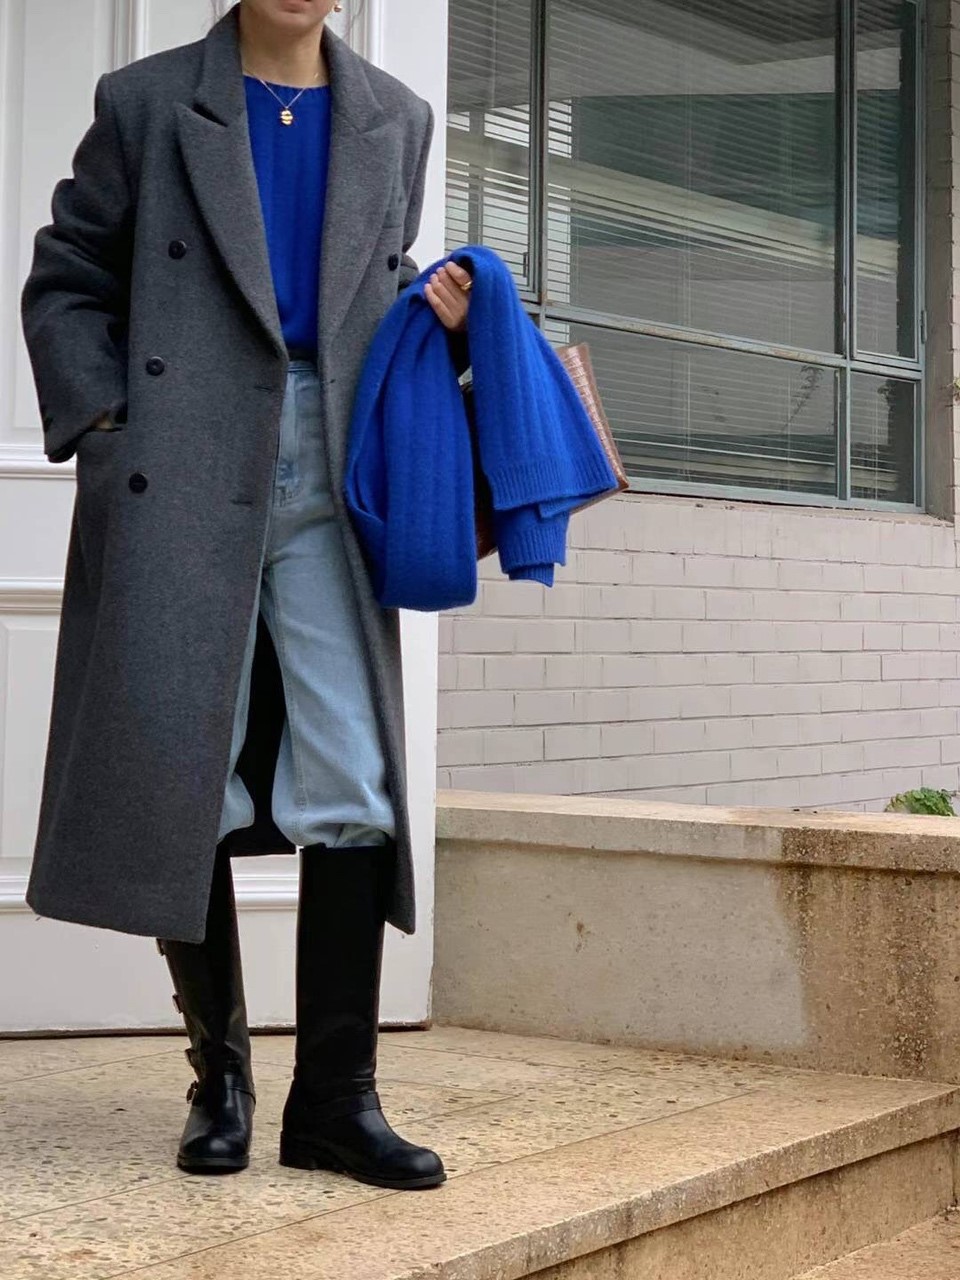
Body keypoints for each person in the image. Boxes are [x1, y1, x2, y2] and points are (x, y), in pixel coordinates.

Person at [18, 0, 472, 1191]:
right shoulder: (150, 102)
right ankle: (219, 1079)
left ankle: (337, 1099)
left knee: (354, 775)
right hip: (183, 459)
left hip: (334, 465)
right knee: (188, 767)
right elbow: (66, 278)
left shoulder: (398, 118)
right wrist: (107, 423)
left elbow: (365, 286)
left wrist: (439, 312)